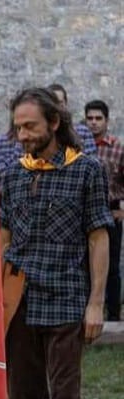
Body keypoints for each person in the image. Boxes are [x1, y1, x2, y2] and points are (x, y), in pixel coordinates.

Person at [0, 87, 112, 399]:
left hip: (66, 297)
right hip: (19, 299)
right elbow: (4, 234)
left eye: (30, 126)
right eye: (18, 126)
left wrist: (97, 301)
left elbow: (98, 235)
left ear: (53, 123)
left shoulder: (85, 170)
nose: (22, 134)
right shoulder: (11, 172)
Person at [84, 99, 124, 321]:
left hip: (110, 213)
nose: (94, 123)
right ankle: (87, 312)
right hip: (84, 215)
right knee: (85, 264)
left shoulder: (117, 148)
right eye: (89, 118)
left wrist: (121, 212)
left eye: (98, 118)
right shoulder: (78, 147)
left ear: (107, 121)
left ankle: (114, 317)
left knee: (112, 268)